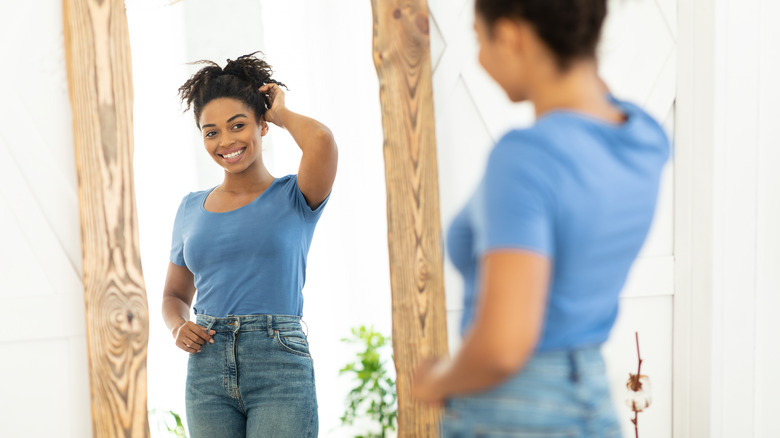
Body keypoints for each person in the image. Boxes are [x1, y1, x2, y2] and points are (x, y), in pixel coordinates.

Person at [411, 1, 669, 436]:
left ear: (511, 37)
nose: (478, 57)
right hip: (589, 395)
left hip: (514, 411)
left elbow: (503, 348)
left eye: (479, 37)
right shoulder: (645, 136)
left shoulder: (526, 158)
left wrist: (437, 380)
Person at [161, 53, 337, 438]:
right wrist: (177, 327)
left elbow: (321, 140)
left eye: (237, 125)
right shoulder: (190, 207)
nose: (225, 141)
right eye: (211, 132)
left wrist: (281, 113)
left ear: (262, 125)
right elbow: (174, 295)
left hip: (278, 365)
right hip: (206, 367)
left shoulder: (296, 195)